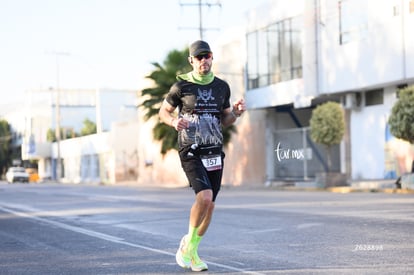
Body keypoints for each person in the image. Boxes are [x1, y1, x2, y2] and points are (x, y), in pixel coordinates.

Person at [158, 40, 245, 271]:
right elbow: (163, 112)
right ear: (191, 61)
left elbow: (225, 120)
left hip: (214, 151)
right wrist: (174, 120)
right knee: (204, 197)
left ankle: (193, 250)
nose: (203, 60)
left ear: (212, 57)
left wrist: (235, 113)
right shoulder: (181, 86)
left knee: (211, 206)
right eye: (199, 57)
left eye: (207, 56)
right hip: (191, 150)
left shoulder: (222, 87)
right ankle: (186, 246)